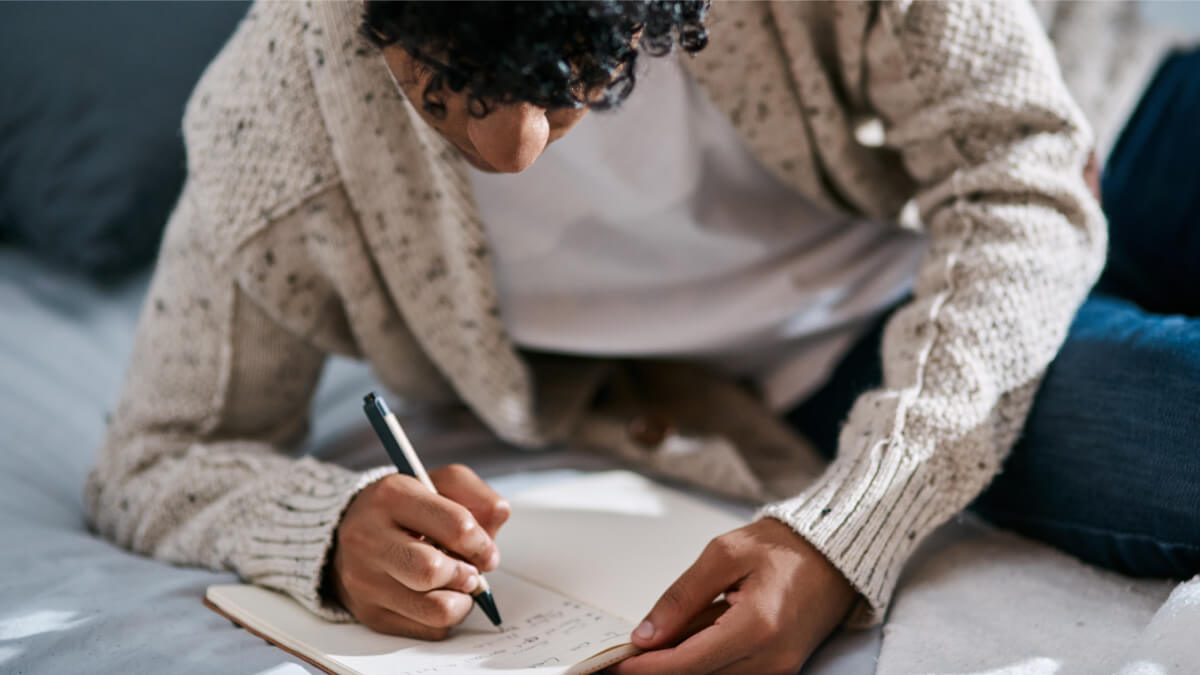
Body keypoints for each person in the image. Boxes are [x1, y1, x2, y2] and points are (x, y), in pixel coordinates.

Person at [84, 1, 1198, 672]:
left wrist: (846, 532)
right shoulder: (273, 123)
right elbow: (152, 458)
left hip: (1101, 122)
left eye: (573, 89)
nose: (512, 148)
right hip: (849, 347)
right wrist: (324, 530)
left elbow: (1020, 173)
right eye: (439, 91)